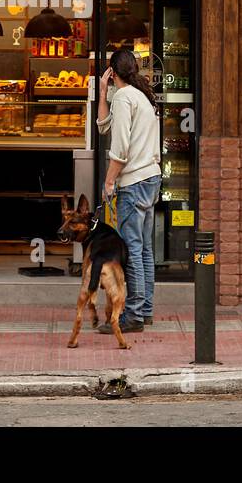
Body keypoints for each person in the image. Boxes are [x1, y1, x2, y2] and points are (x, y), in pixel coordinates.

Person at [95, 47, 161, 335]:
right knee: (144, 249)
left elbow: (119, 150)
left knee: (132, 250)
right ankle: (144, 310)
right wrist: (102, 94)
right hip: (151, 178)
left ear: (112, 72)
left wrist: (109, 181)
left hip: (133, 182)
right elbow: (103, 127)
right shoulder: (140, 97)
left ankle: (131, 315)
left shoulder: (124, 98)